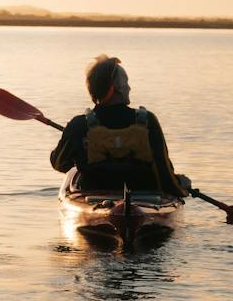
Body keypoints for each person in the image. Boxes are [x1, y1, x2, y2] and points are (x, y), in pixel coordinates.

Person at [49, 55, 189, 198]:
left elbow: (60, 163)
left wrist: (74, 149)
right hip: (145, 197)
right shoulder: (148, 121)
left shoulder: (79, 125)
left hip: (94, 197)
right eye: (126, 83)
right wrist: (180, 185)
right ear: (116, 88)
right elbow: (164, 171)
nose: (129, 88)